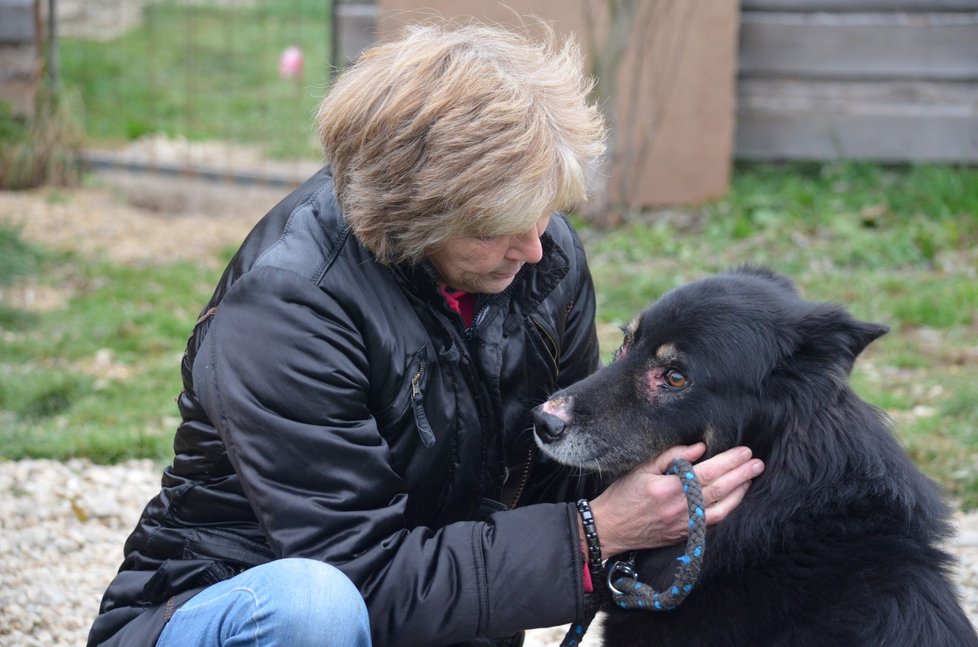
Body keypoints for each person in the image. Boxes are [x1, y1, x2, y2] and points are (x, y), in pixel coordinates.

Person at [87, 21, 764, 647]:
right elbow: (367, 578)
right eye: (497, 225)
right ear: (413, 213)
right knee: (313, 607)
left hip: (418, 610)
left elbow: (559, 477)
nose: (535, 247)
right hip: (238, 608)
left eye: (545, 211)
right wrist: (596, 534)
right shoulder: (289, 309)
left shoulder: (541, 258)